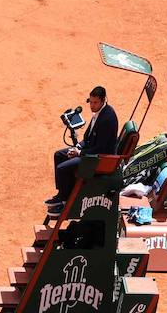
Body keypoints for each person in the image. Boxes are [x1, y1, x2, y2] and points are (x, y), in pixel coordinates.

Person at [45, 86, 118, 216]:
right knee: (59, 155)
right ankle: (62, 194)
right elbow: (87, 139)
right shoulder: (99, 113)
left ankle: (66, 202)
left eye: (95, 102)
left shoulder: (107, 119)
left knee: (62, 168)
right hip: (89, 151)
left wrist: (79, 153)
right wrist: (77, 147)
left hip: (99, 159)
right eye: (90, 102)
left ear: (103, 101)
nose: (92, 105)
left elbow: (100, 148)